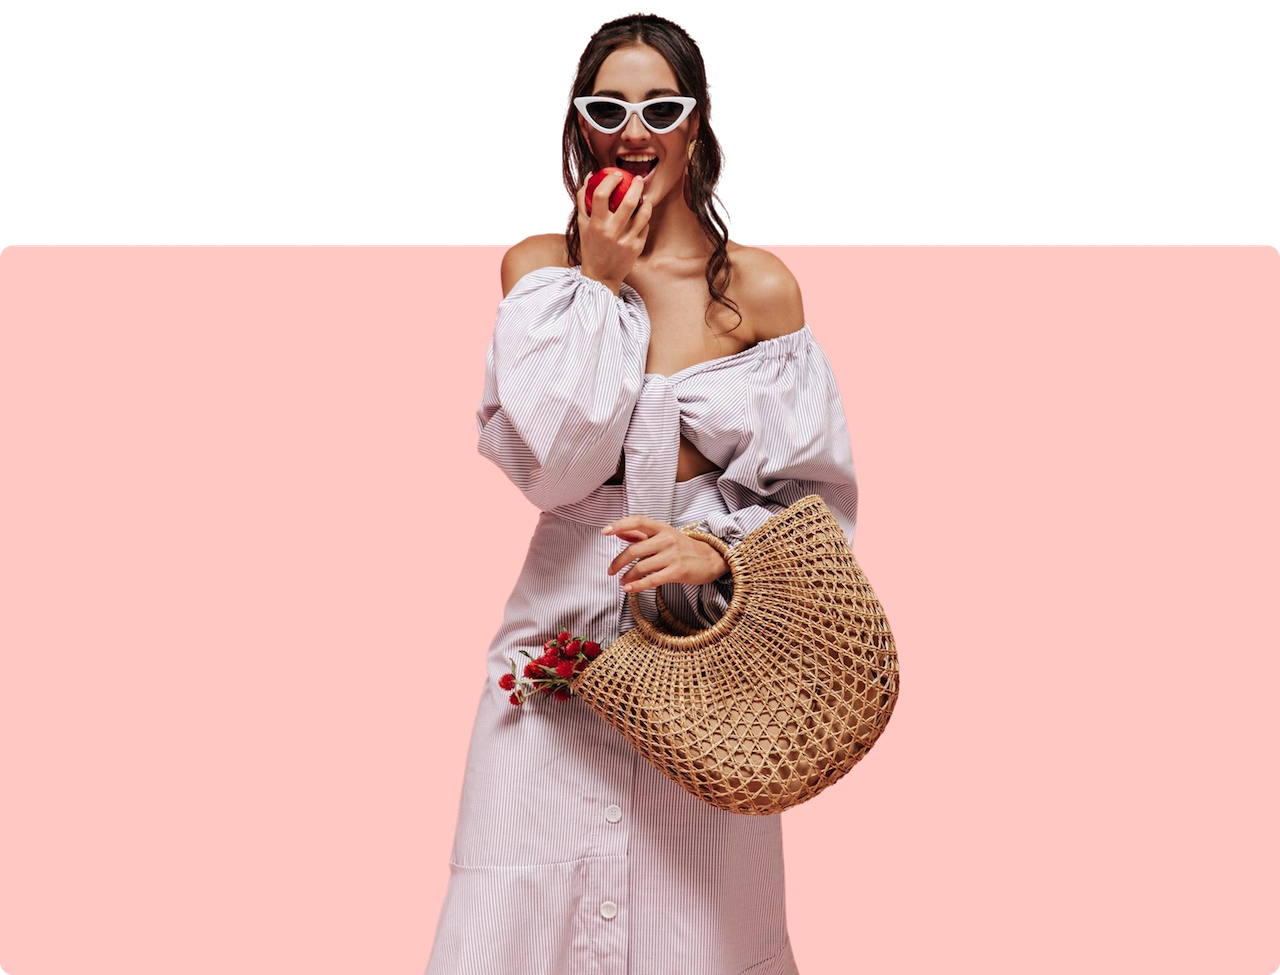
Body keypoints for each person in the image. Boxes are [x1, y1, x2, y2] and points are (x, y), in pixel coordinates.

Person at [423, 13, 858, 975]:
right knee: (512, 904)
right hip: (556, 648)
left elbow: (816, 505)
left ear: (695, 126)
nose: (633, 130)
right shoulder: (539, 270)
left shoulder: (759, 289)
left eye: (661, 108)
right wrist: (597, 281)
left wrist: (721, 552)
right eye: (607, 107)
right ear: (579, 124)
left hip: (712, 659)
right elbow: (555, 468)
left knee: (700, 924)